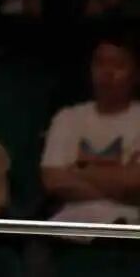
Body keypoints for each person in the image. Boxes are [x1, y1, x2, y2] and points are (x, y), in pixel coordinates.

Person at [42, 34, 140, 228]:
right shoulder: (67, 118)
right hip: (68, 222)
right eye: (100, 64)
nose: (107, 72)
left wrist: (77, 170)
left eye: (118, 65)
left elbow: (136, 181)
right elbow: (53, 180)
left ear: (136, 74)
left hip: (128, 224)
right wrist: (120, 184)